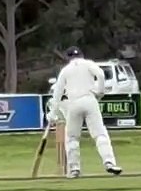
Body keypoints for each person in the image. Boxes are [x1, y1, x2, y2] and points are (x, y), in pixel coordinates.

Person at [47, 47, 122, 179]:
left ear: (68, 57)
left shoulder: (66, 70)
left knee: (72, 138)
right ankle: (109, 162)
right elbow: (100, 74)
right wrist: (100, 92)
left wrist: (53, 113)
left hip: (73, 103)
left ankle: (74, 169)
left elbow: (58, 92)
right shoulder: (88, 64)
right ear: (81, 55)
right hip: (89, 100)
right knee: (100, 134)